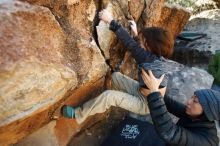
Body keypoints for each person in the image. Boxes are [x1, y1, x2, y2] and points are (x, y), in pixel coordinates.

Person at [60, 9, 174, 124]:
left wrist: (110, 20)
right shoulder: (157, 58)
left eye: (143, 41)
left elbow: (131, 45)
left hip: (145, 104)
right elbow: (138, 48)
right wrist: (135, 33)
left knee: (109, 97)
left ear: (150, 47)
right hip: (141, 91)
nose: (140, 42)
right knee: (115, 77)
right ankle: (104, 102)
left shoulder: (151, 61)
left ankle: (78, 113)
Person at [140, 69, 220, 146]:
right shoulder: (195, 116)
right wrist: (159, 92)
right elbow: (172, 105)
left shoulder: (206, 141)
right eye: (192, 97)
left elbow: (169, 132)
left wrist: (155, 93)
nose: (188, 102)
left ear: (207, 111)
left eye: (195, 101)